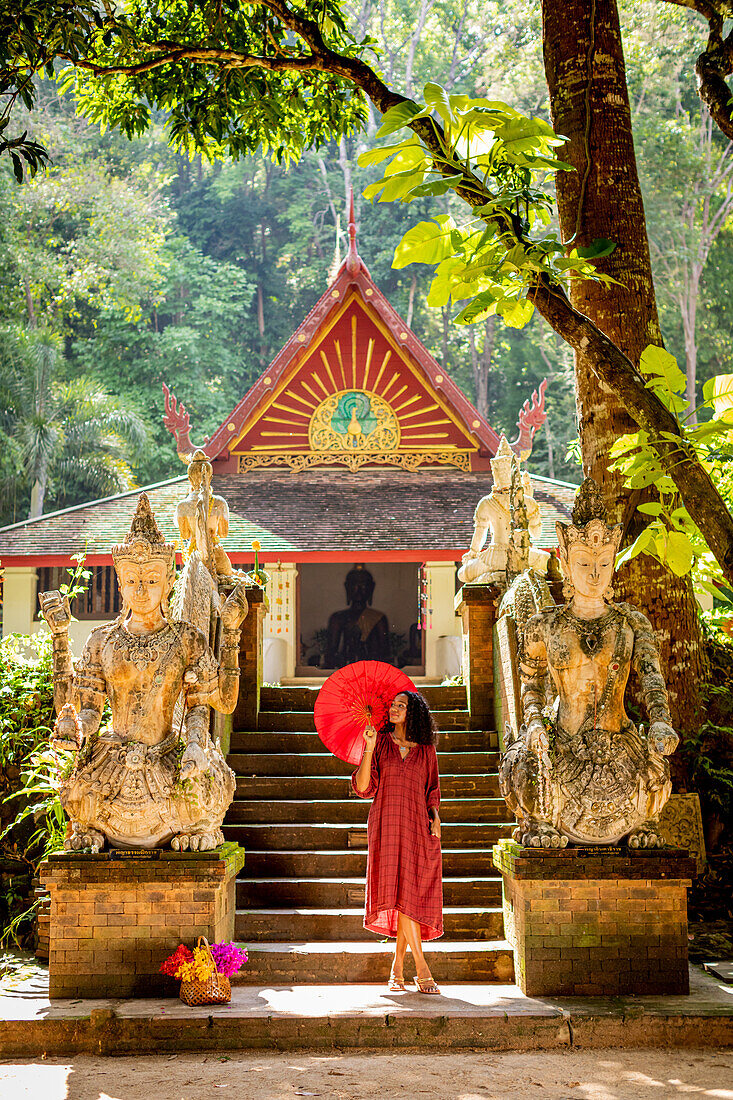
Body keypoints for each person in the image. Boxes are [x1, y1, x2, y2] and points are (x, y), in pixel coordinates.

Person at [352, 690, 443, 994]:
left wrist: (436, 816)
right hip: (387, 825)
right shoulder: (380, 743)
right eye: (392, 705)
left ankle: (396, 969)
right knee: (400, 891)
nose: (393, 709)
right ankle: (422, 967)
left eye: (400, 706)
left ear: (413, 712)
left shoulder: (426, 750)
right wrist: (368, 747)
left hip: (418, 826)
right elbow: (364, 787)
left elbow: (432, 789)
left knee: (410, 894)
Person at [325, 565, 389, 668]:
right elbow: (331, 652)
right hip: (346, 668)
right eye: (354, 585)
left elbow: (384, 652)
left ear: (371, 588)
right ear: (347, 587)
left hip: (371, 669)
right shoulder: (338, 618)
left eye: (364, 585)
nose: (359, 590)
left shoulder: (378, 618)